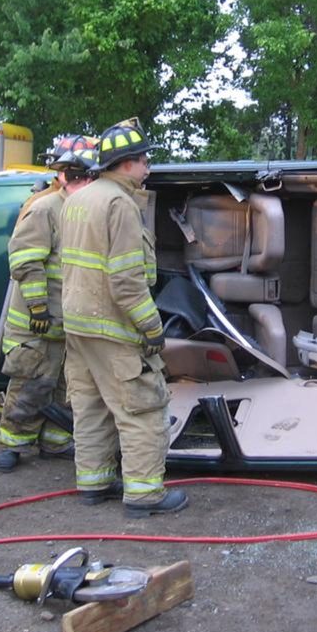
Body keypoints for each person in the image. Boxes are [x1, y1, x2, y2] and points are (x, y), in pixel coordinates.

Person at [60, 118, 187, 517]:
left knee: (92, 406)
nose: (148, 167)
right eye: (144, 160)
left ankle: (94, 483)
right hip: (113, 326)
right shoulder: (121, 205)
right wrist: (152, 328)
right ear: (127, 163)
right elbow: (127, 280)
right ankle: (145, 494)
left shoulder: (77, 199)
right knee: (142, 409)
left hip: (78, 325)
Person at [0, 136, 98, 472]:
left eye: (88, 176)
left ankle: (55, 441)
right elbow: (26, 261)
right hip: (37, 322)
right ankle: (13, 443)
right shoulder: (44, 209)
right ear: (63, 176)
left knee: (65, 387)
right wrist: (38, 306)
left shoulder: (86, 211)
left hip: (69, 321)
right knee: (31, 384)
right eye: (77, 176)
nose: (84, 183)